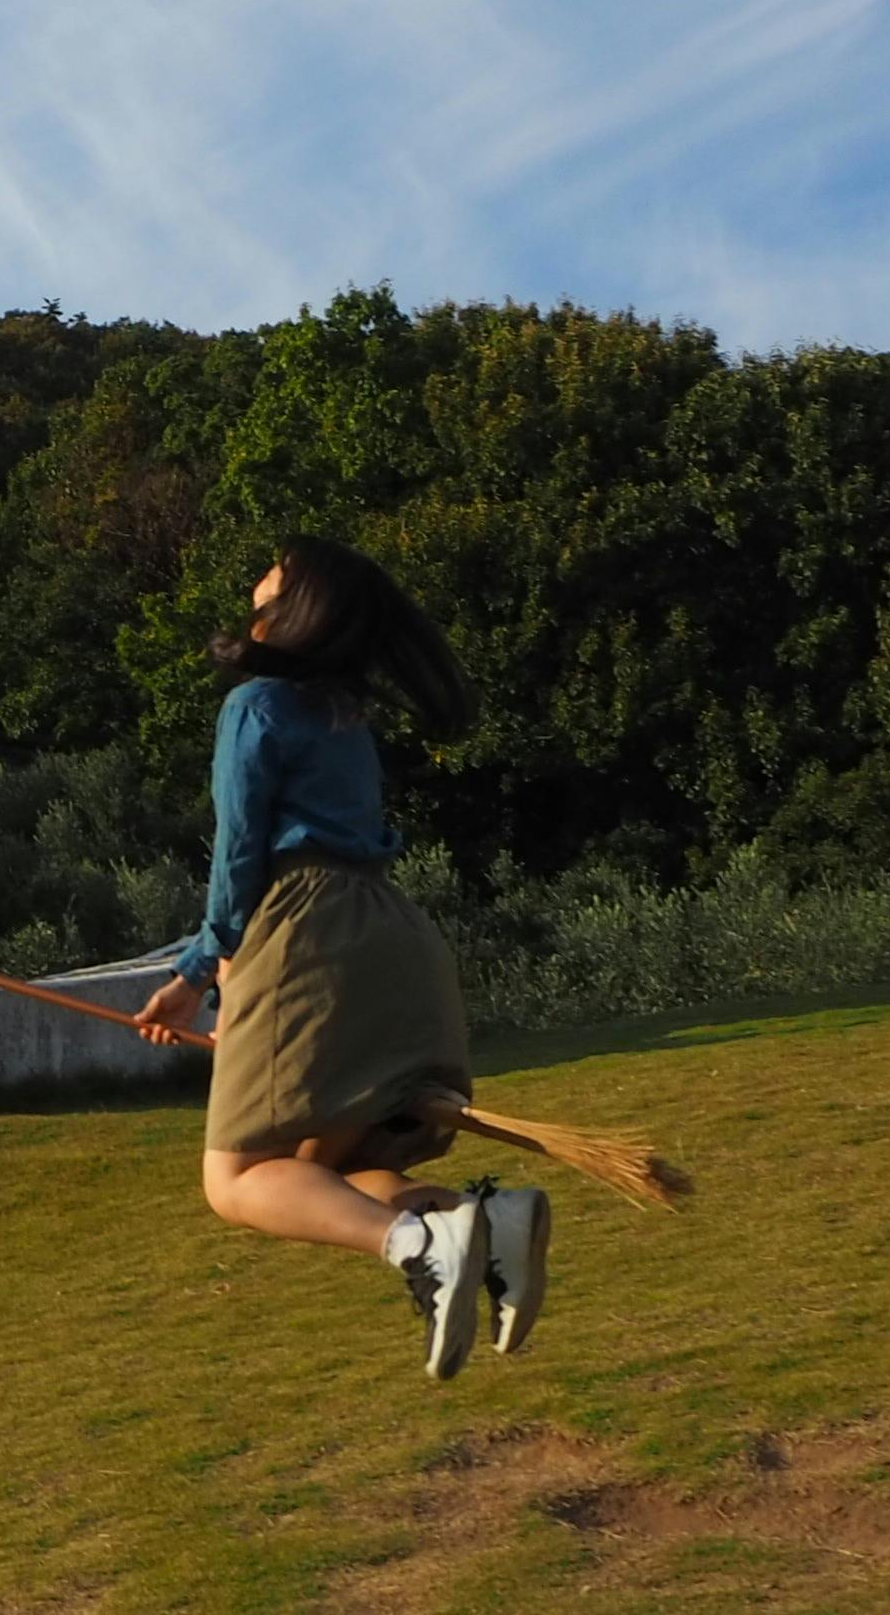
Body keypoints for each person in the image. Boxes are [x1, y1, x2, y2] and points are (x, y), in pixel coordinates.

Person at [129, 538, 546, 1380]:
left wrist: (196, 971)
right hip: (390, 931)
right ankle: (480, 1222)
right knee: (345, 1168)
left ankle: (416, 1244)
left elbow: (241, 855)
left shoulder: (257, 707)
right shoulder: (345, 714)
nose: (262, 572)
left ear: (300, 601)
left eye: (279, 566)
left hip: (307, 930)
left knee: (237, 1177)